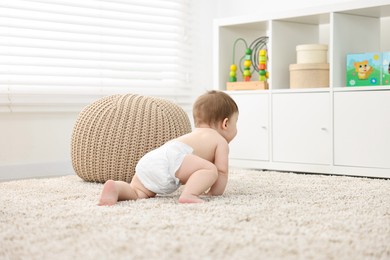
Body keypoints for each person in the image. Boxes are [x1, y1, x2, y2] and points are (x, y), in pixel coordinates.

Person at [98, 90, 239, 205]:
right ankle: (189, 195)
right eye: (236, 122)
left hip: (152, 159)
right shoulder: (220, 141)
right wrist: (214, 193)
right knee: (211, 169)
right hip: (174, 158)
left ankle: (116, 188)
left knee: (138, 192)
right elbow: (222, 172)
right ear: (225, 124)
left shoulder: (193, 135)